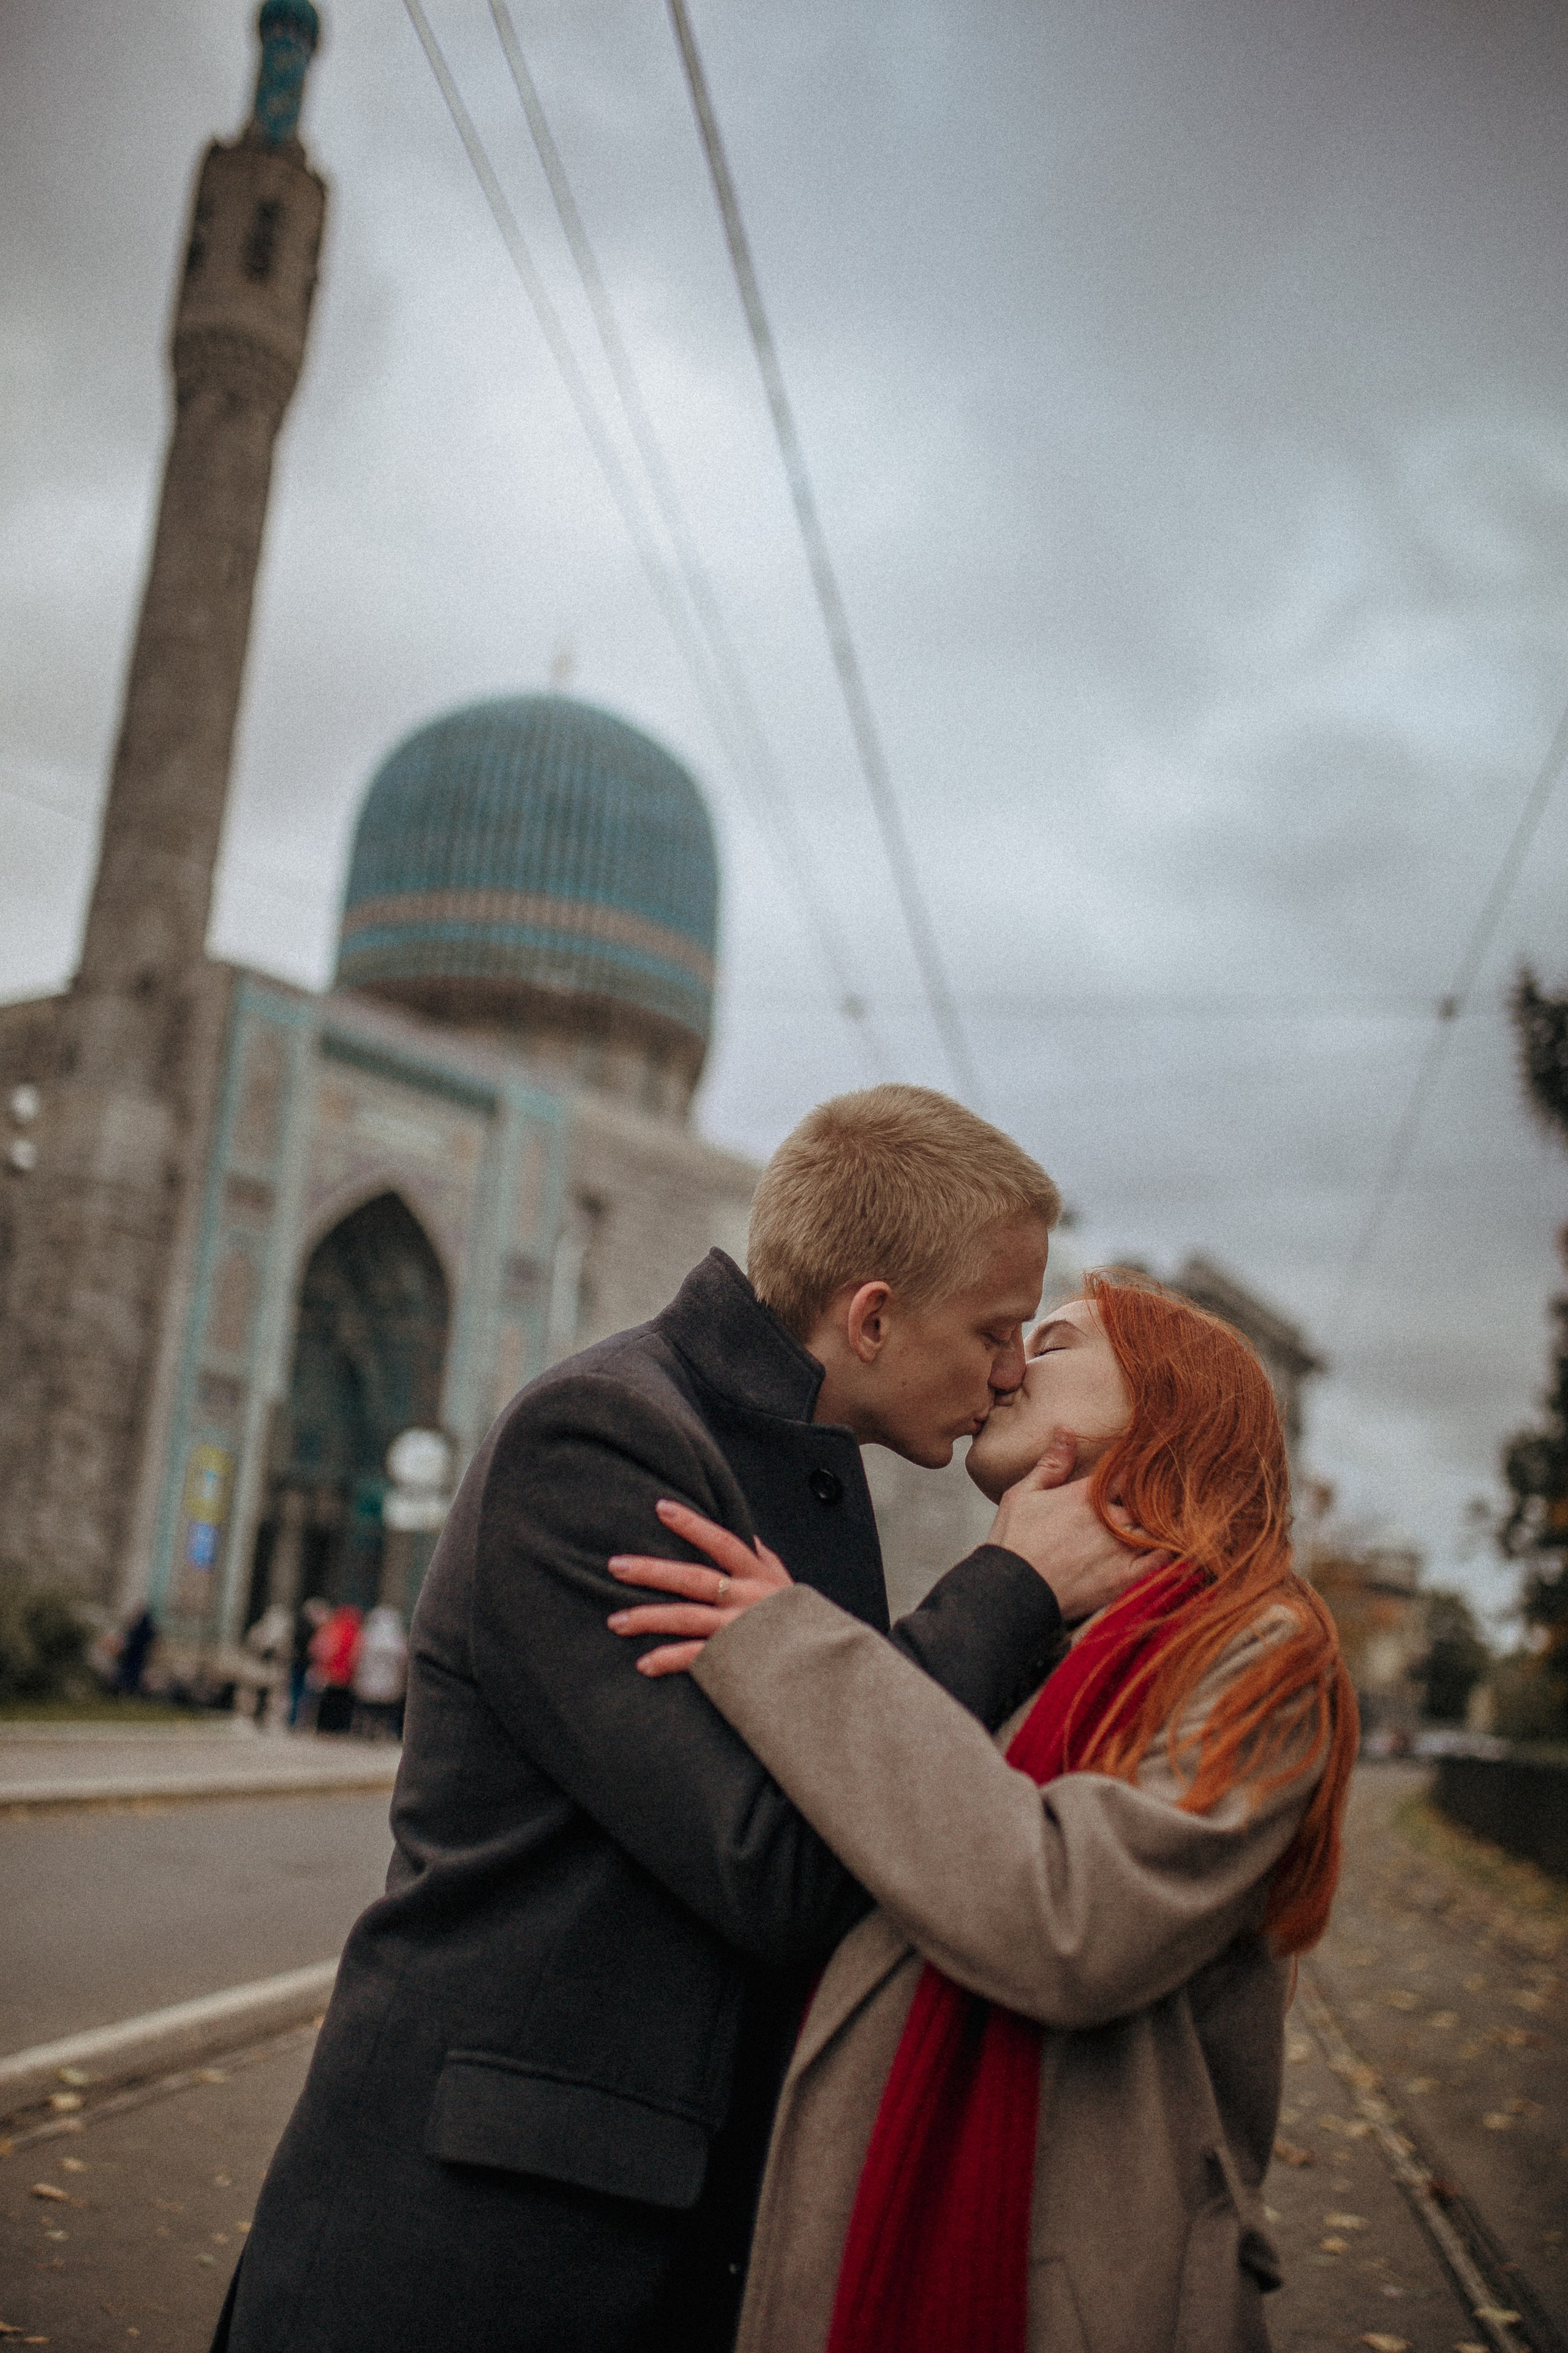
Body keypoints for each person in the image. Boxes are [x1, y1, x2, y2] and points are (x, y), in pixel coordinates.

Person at [217, 1086, 1151, 2353]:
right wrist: (1009, 1591)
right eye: (994, 1330)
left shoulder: (784, 1459)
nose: (1004, 1375)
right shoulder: (605, 1444)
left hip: (651, 2238)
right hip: (485, 2254)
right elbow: (779, 1864)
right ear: (869, 1317)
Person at [608, 1272, 1358, 2353]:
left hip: (1083, 2293)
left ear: (1164, 1404)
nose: (1006, 1367)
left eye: (1047, 1341)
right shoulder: (1033, 1635)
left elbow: (1072, 1918)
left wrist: (791, 1647)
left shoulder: (1262, 1647)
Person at [351, 1603, 409, 1740]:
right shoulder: (397, 1642)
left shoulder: (367, 1639)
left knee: (369, 1708)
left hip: (369, 1680)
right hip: (389, 1683)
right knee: (385, 1710)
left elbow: (357, 1658)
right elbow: (403, 1662)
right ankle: (383, 1731)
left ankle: (367, 1730)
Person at [309, 1600, 362, 1734]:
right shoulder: (356, 1632)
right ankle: (340, 1729)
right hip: (346, 1674)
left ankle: (325, 1728)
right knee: (341, 1703)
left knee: (329, 1702)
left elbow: (322, 1649)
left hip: (332, 1673)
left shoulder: (334, 1629)